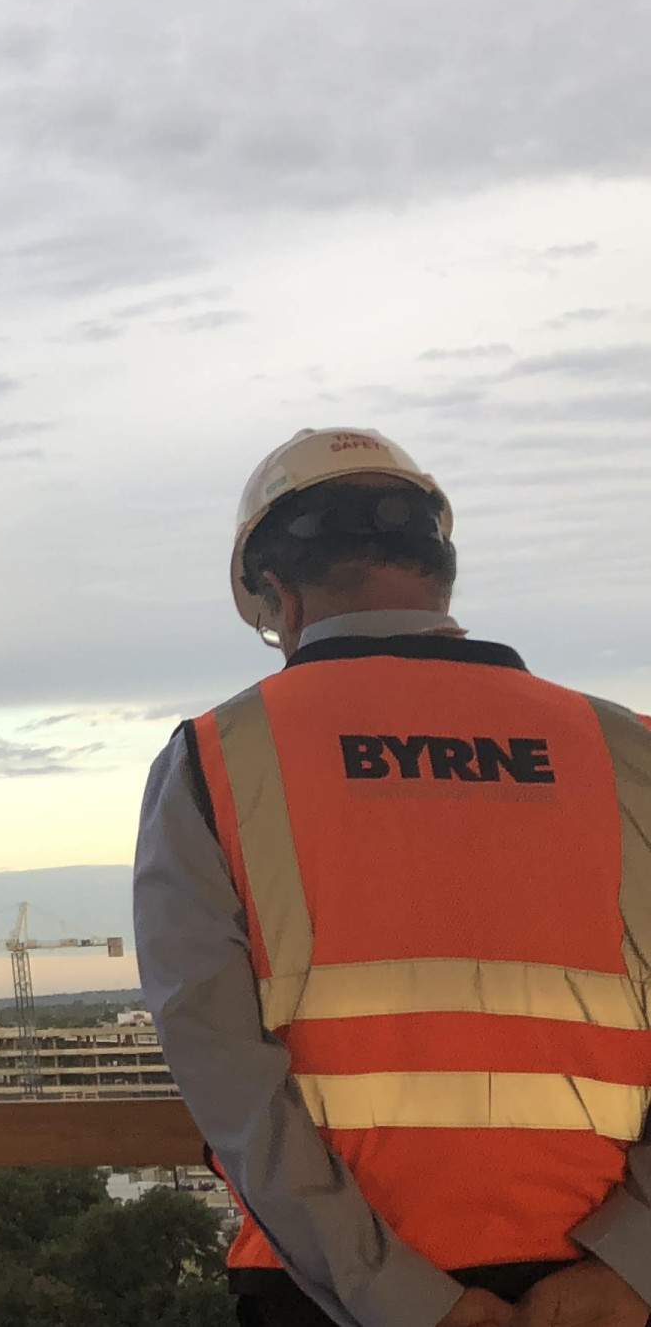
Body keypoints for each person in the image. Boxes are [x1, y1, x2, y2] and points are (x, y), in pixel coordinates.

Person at [136, 427, 651, 1327]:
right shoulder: (628, 752)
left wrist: (408, 1301)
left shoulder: (216, 761)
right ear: (440, 575)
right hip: (601, 1286)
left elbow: (223, 1075)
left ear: (278, 596)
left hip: (332, 1296)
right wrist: (633, 1261)